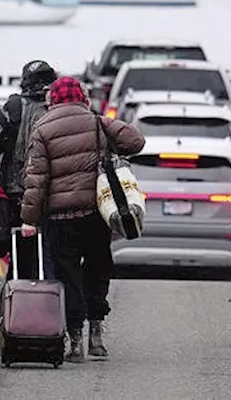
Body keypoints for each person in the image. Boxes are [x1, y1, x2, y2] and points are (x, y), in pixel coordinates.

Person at [21, 76, 145, 363]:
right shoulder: (97, 121)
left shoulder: (42, 129)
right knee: (98, 269)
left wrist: (29, 219)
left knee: (67, 276)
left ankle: (74, 340)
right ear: (83, 98)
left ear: (52, 100)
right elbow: (136, 141)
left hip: (60, 217)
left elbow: (36, 179)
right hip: (95, 215)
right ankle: (97, 337)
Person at [0, 59, 57, 280]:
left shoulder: (14, 107)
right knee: (54, 254)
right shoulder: (61, 108)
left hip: (17, 192)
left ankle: (20, 304)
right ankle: (55, 304)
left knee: (20, 253)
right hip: (56, 193)